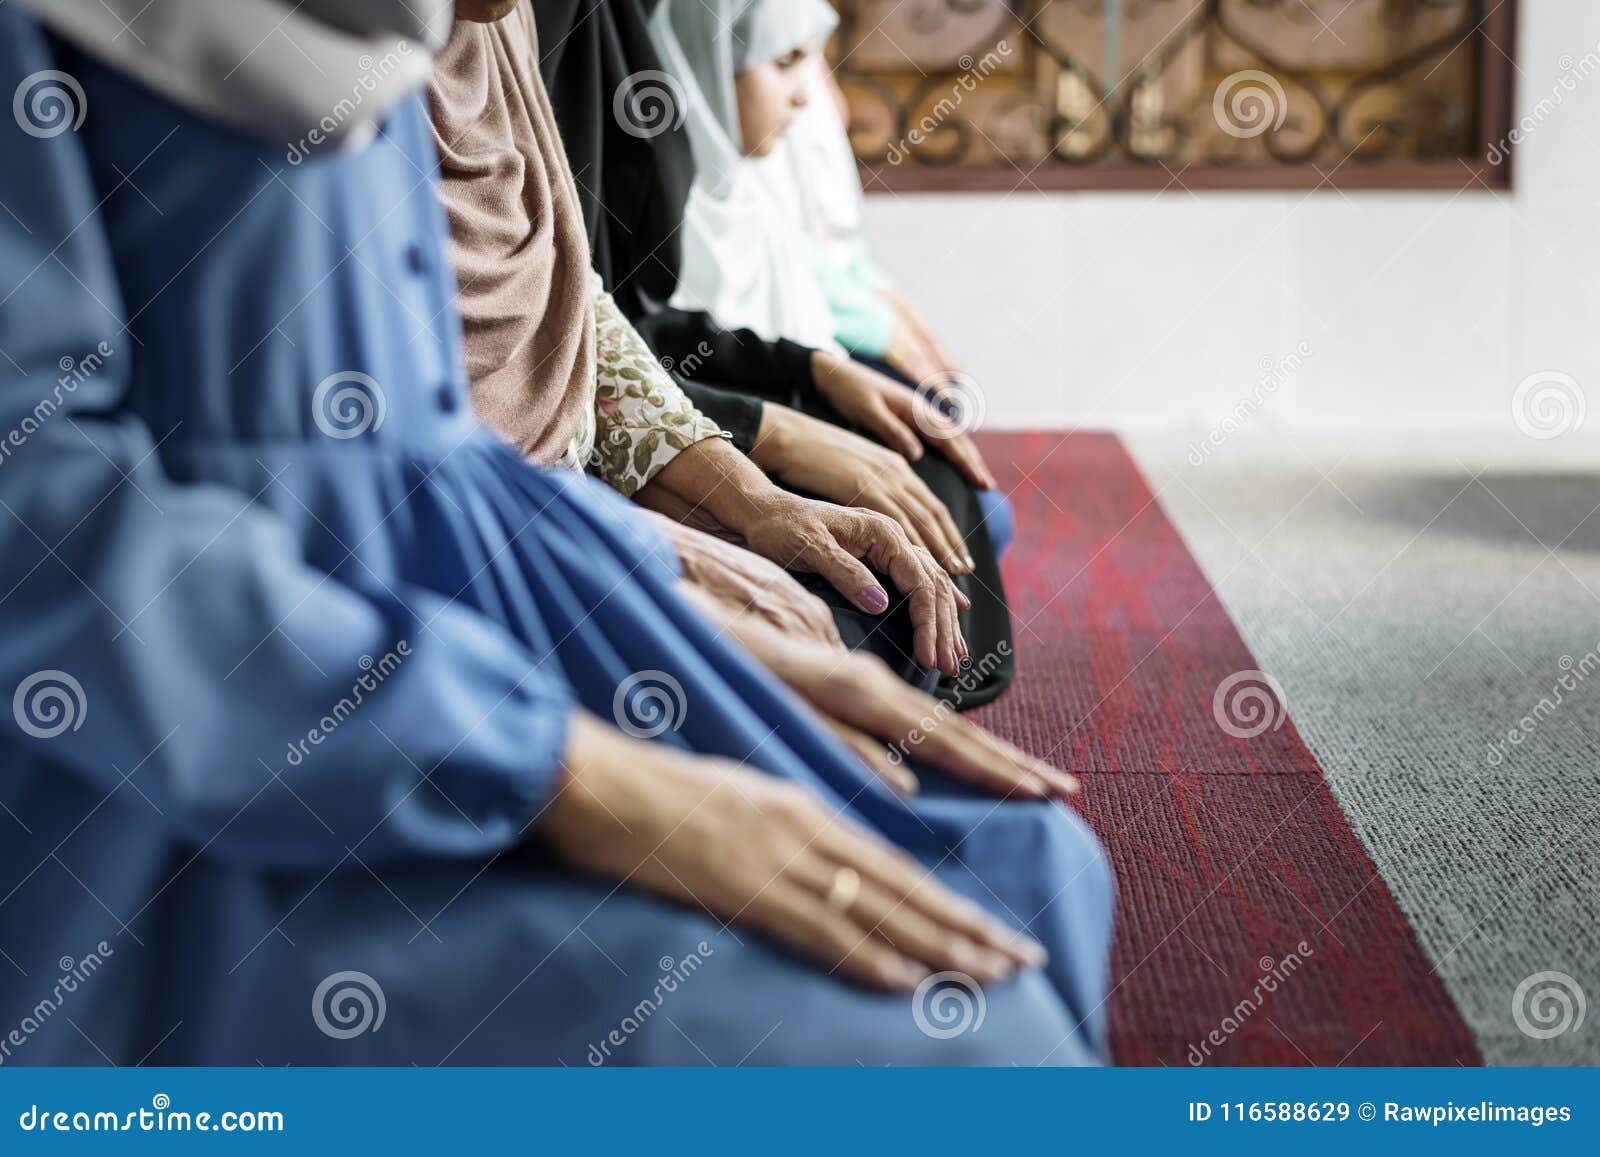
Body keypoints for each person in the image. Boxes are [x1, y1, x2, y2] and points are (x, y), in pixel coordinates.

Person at [0, 0, 1113, 1065]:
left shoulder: (402, 33)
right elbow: (43, 532)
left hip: (450, 646)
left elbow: (430, 454)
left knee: (1031, 859)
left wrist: (650, 618)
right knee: (960, 1036)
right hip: (198, 782)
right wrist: (565, 767)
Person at [426, 1, 962, 685]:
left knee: (886, 594)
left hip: (580, 492)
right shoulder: (327, 96)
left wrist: (754, 501)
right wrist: (629, 544)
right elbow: (388, 454)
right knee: (850, 647)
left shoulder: (503, 22)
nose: (810, 93)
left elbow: (572, 294)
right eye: (788, 61)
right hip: (470, 559)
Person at [541, 0, 1018, 706]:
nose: (809, 93)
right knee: (887, 592)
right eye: (786, 62)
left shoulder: (586, 59)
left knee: (931, 484)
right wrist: (768, 446)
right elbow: (569, 352)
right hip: (578, 473)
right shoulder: (543, 55)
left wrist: (809, 373)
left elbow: (614, 321)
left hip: (664, 414)